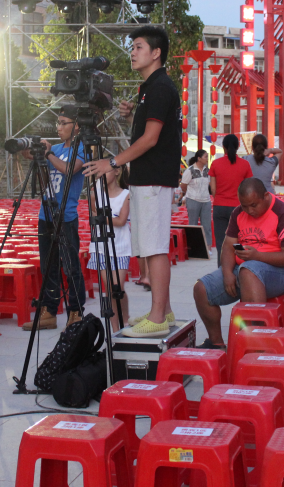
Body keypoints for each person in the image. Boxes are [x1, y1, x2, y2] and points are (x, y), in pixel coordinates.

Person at [83, 26, 182, 339]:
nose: (133, 52)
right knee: (147, 248)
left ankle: (158, 317)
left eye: (139, 46)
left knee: (154, 248)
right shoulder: (147, 89)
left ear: (156, 53)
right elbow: (147, 134)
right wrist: (131, 118)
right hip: (145, 176)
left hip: (154, 178)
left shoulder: (161, 87)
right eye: (133, 46)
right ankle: (162, 311)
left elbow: (151, 140)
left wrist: (111, 162)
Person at [193, 178, 284, 349]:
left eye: (253, 205)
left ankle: (258, 345)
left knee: (249, 270)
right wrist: (228, 273)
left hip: (282, 273)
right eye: (244, 206)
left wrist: (257, 256)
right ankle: (216, 343)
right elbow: (229, 246)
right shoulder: (238, 213)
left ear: (266, 196)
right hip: (243, 269)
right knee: (201, 289)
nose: (249, 210)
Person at [21, 105, 87, 332]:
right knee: (48, 266)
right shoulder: (56, 148)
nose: (58, 127)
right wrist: (30, 150)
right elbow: (36, 165)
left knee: (70, 266)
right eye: (57, 123)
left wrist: (48, 153)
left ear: (76, 126)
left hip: (66, 215)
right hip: (45, 214)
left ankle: (76, 311)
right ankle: (49, 311)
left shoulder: (81, 148)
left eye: (63, 123)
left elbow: (69, 170)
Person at [87, 160, 132, 331]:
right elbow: (93, 216)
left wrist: (101, 218)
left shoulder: (126, 194)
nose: (101, 174)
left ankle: (125, 319)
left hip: (120, 247)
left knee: (117, 287)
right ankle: (115, 329)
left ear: (117, 171)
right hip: (100, 246)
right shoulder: (94, 194)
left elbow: (121, 221)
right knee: (110, 289)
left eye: (105, 170)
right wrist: (104, 218)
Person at [209, 135, 253, 268]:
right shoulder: (245, 164)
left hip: (220, 207)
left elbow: (213, 188)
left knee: (222, 243)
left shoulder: (216, 164)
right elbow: (248, 188)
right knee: (240, 241)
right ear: (238, 146)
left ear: (223, 147)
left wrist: (221, 198)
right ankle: (238, 269)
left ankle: (222, 272)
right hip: (239, 209)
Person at [180, 149, 212, 253]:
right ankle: (192, 248)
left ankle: (208, 248)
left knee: (206, 226)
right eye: (206, 157)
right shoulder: (190, 170)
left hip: (206, 200)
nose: (207, 159)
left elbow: (210, 184)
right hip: (193, 200)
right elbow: (183, 185)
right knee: (193, 225)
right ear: (199, 158)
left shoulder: (208, 170)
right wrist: (190, 194)